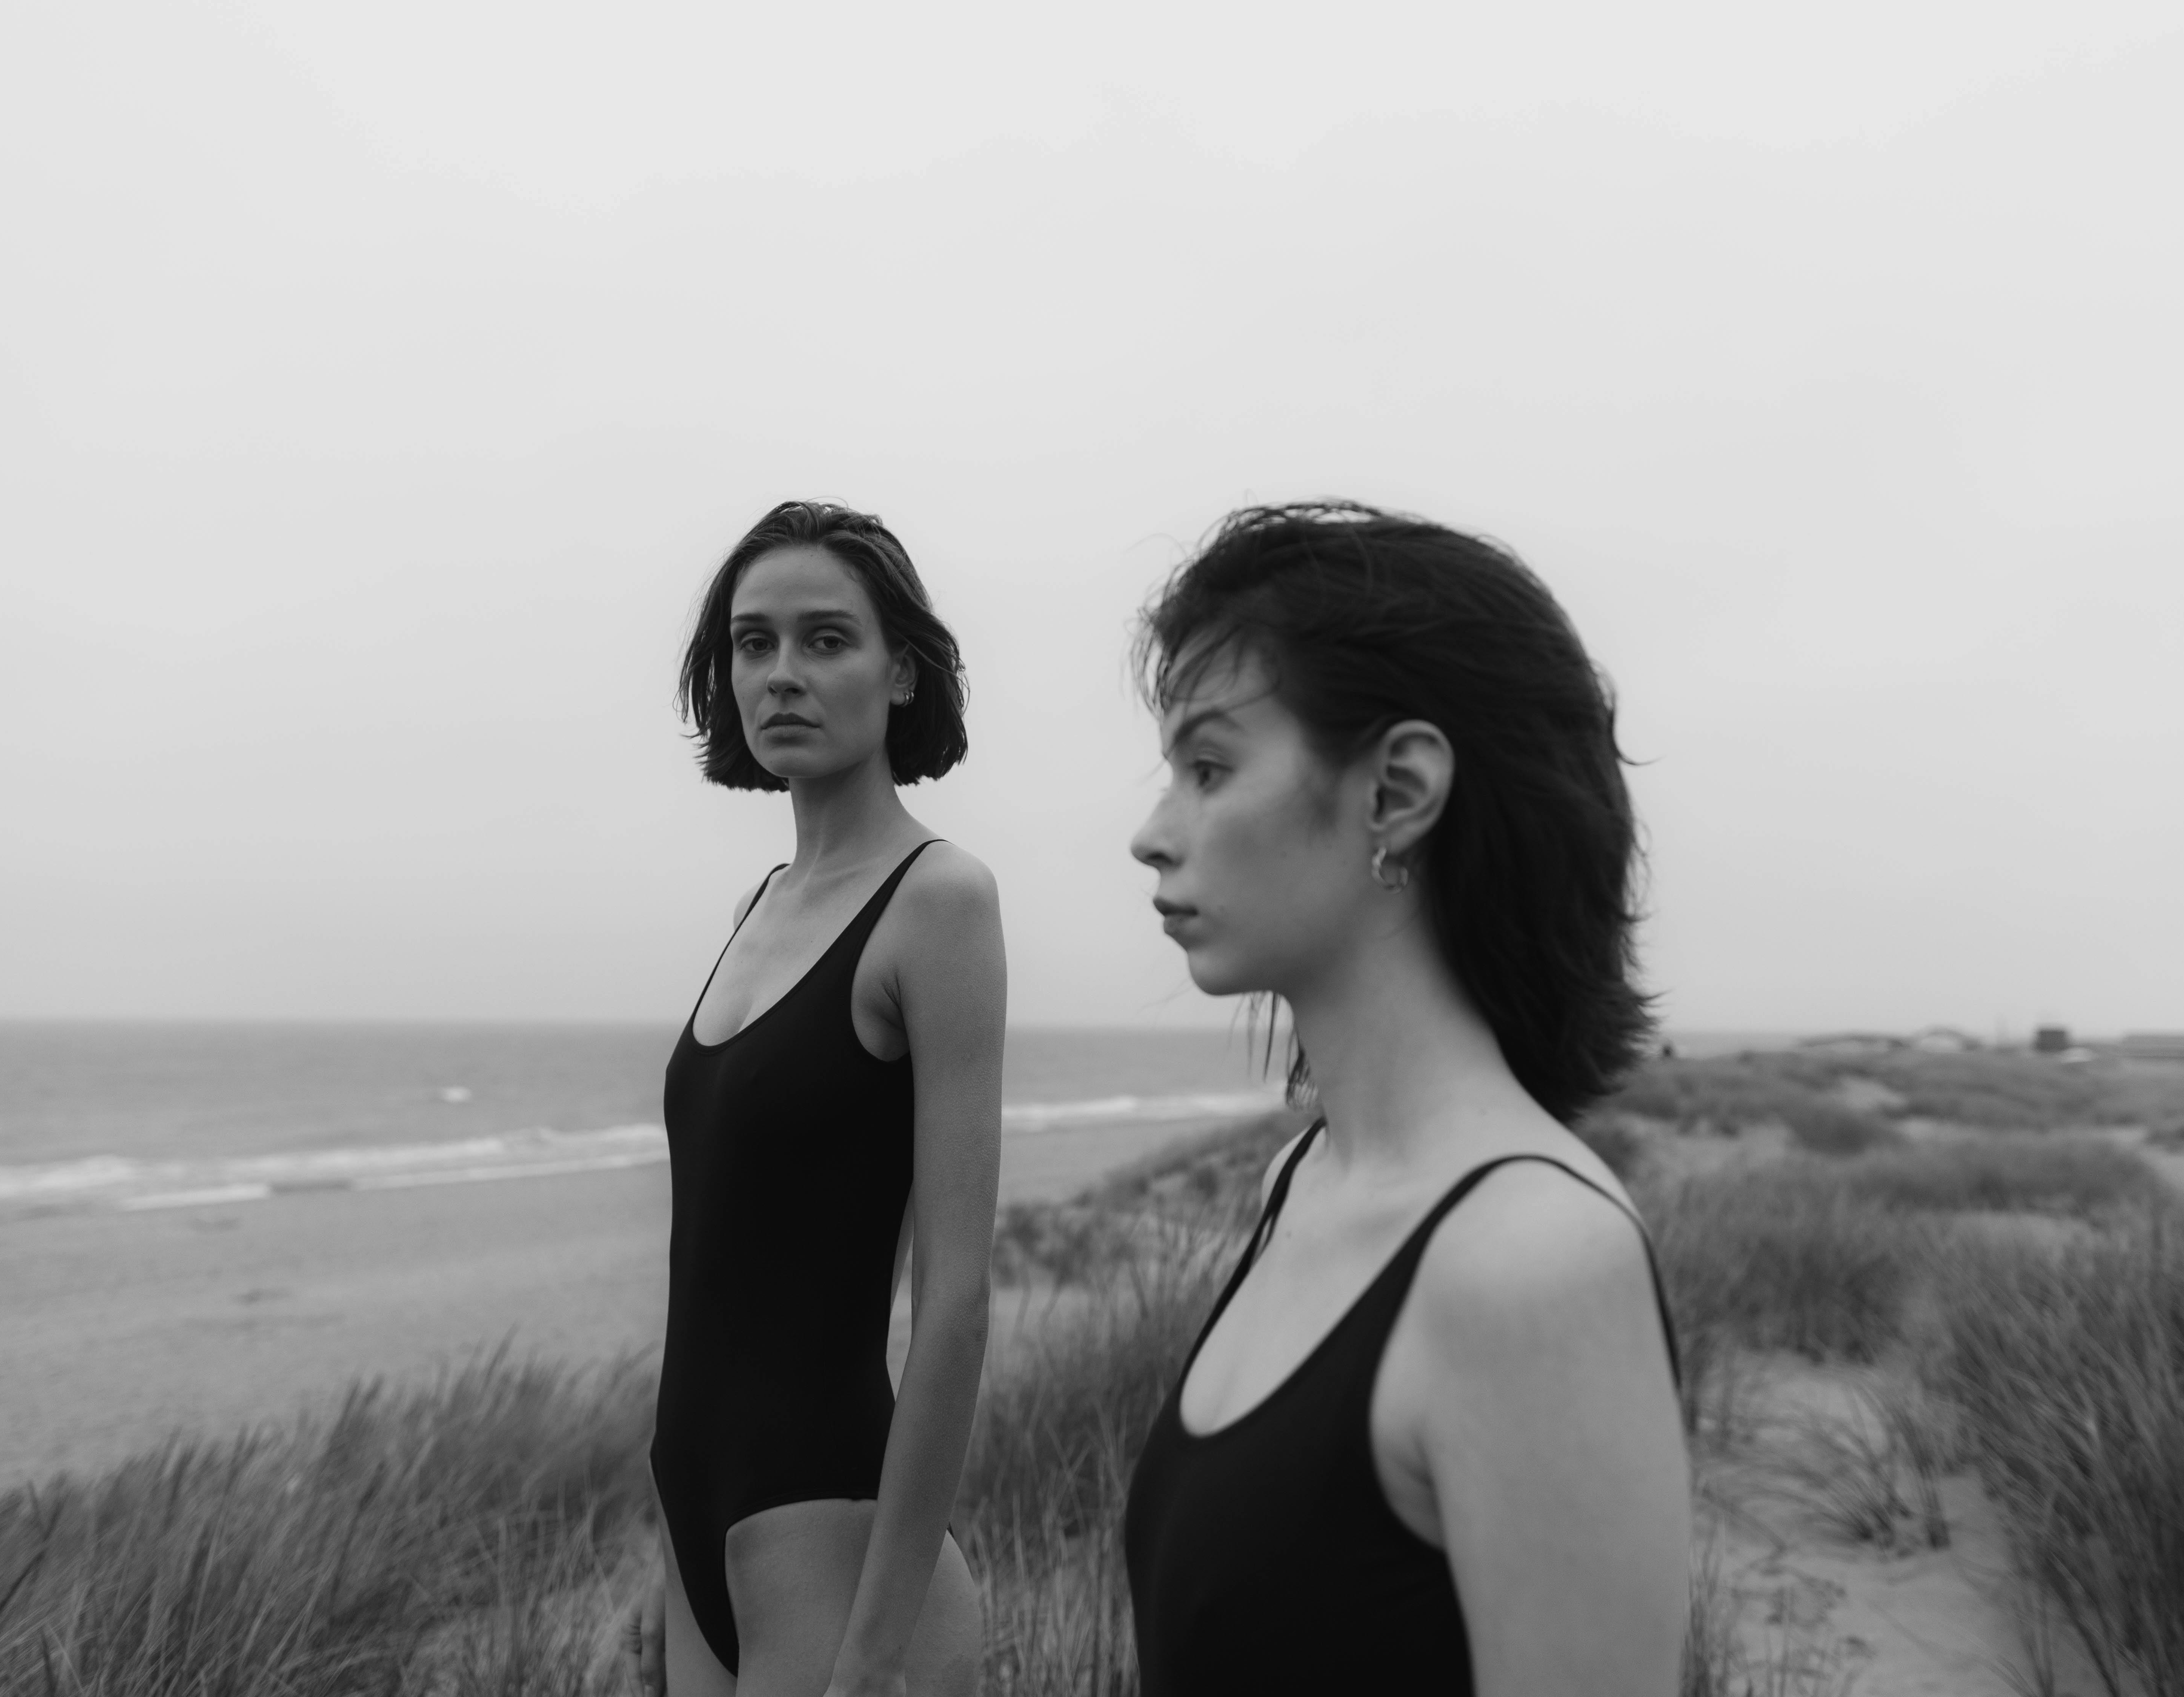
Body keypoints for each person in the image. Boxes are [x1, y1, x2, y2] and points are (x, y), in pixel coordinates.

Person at [1120, 503, 1689, 1694]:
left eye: (1211, 768)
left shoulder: (1532, 1261)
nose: (1152, 834)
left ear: (1398, 792)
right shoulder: (1301, 1183)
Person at [657, 500, 1002, 1697]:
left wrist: (871, 1649)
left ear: (901, 670)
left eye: (826, 640)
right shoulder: (755, 907)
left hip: (828, 1540)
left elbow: (954, 1301)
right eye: (755, 644)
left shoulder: (939, 902)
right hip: (697, 1530)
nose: (784, 675)